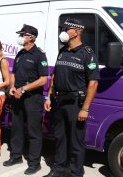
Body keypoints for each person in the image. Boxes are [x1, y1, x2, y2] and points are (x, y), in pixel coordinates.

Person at [43, 18, 100, 177]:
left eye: (67, 28)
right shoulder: (63, 51)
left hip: (75, 104)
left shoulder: (87, 54)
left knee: (76, 142)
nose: (64, 31)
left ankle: (76, 173)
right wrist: (49, 97)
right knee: (60, 138)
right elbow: (55, 76)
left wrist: (85, 108)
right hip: (58, 102)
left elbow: (93, 83)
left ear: (76, 31)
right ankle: (58, 169)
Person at [2, 24, 48, 176]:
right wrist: (13, 87)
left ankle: (34, 163)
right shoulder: (20, 53)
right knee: (16, 129)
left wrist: (23, 89)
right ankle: (16, 157)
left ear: (31, 37)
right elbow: (14, 73)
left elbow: (43, 80)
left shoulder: (40, 55)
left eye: (23, 35)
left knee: (34, 132)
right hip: (17, 97)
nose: (20, 37)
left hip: (32, 99)